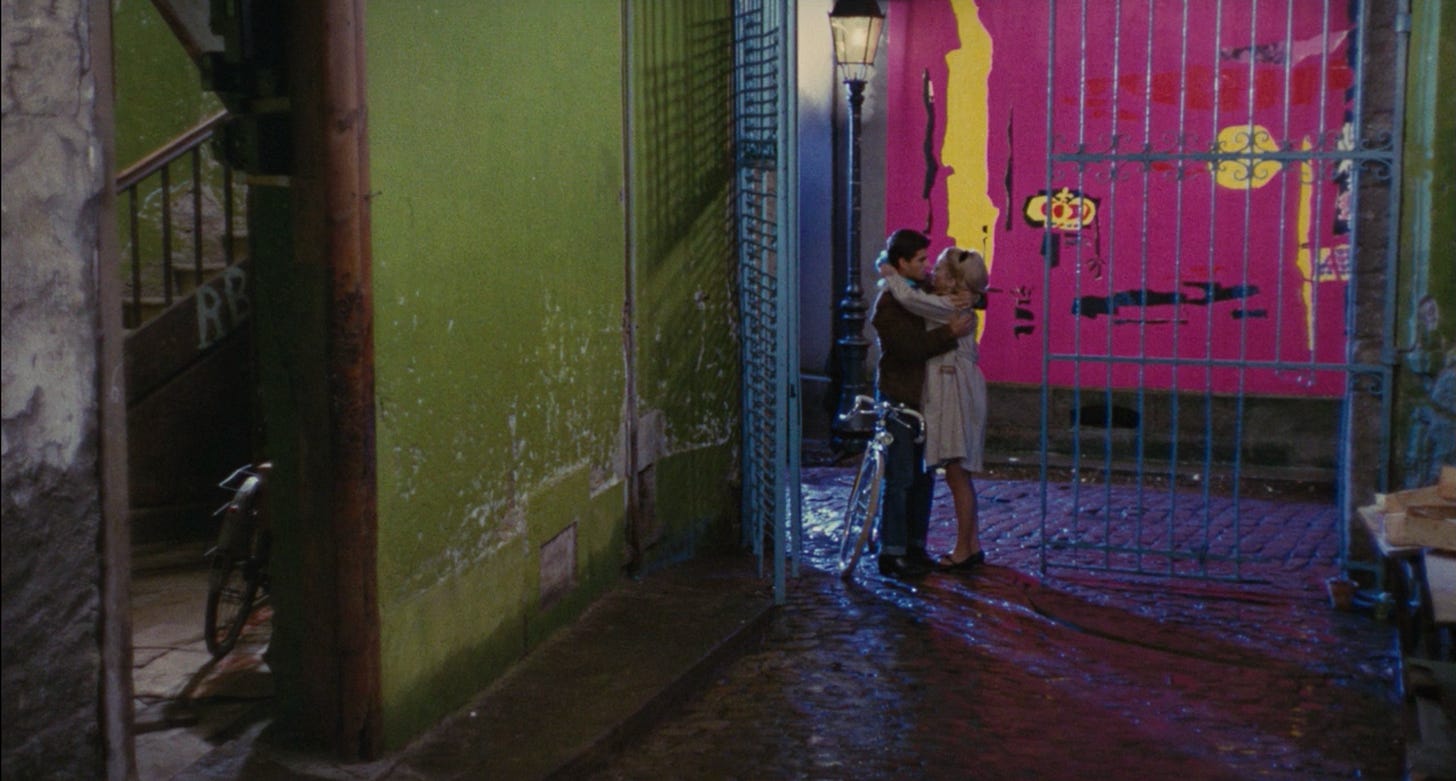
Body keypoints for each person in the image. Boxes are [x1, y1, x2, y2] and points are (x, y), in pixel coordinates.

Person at [869, 229, 975, 579]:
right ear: (902, 263)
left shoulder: (922, 291)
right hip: (902, 397)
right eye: (920, 260)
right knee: (900, 477)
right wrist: (948, 334)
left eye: (929, 261)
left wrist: (969, 296)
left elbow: (955, 296)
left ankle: (915, 544)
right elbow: (909, 348)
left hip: (927, 400)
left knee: (923, 476)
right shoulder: (889, 303)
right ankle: (893, 550)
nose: (928, 267)